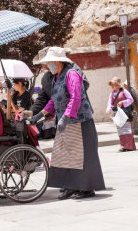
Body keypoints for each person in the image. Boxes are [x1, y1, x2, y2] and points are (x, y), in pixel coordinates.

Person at [30, 47, 105, 200]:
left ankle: (87, 188)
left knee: (82, 156)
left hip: (80, 121)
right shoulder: (56, 77)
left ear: (57, 61)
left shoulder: (72, 74)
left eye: (49, 62)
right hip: (67, 122)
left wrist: (65, 117)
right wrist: (39, 115)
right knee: (65, 155)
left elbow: (76, 97)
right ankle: (71, 185)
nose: (47, 66)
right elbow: (54, 100)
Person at [106, 77, 136, 152]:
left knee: (127, 129)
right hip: (117, 114)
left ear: (117, 85)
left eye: (113, 85)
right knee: (120, 130)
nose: (112, 86)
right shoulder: (111, 94)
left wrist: (123, 102)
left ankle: (129, 146)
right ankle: (123, 146)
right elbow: (110, 103)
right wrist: (108, 110)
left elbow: (131, 99)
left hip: (125, 113)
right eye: (111, 85)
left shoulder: (124, 91)